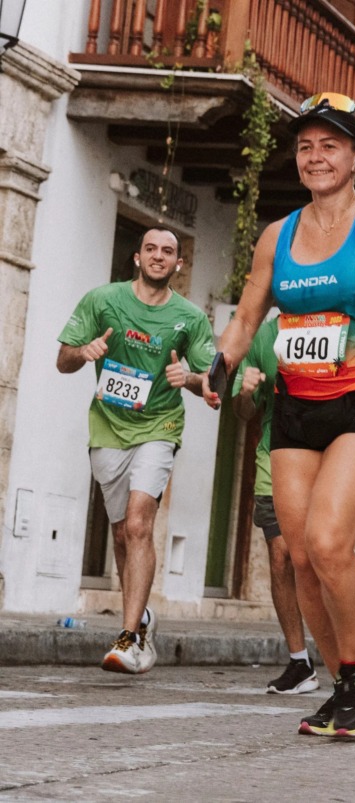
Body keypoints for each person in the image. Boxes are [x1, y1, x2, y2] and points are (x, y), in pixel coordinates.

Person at [206, 74, 355, 737]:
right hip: (297, 411)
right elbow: (247, 316)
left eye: (330, 146)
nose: (315, 157)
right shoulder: (275, 237)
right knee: (299, 555)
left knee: (331, 538)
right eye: (305, 146)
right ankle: (344, 678)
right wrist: (220, 364)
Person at [57, 226, 216, 674]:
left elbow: (212, 381)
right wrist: (84, 352)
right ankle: (142, 616)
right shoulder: (102, 300)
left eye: (168, 251)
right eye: (151, 249)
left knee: (141, 522)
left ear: (178, 264)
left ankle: (128, 639)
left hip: (159, 427)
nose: (159, 257)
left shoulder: (190, 318)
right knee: (123, 532)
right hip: (108, 428)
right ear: (137, 256)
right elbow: (63, 360)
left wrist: (192, 379)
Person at [231, 315, 318, 694]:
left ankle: (347, 658)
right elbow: (243, 413)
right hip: (275, 456)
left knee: (320, 557)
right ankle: (300, 662)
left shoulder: (341, 325)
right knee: (281, 555)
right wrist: (246, 393)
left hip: (327, 458)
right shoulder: (263, 335)